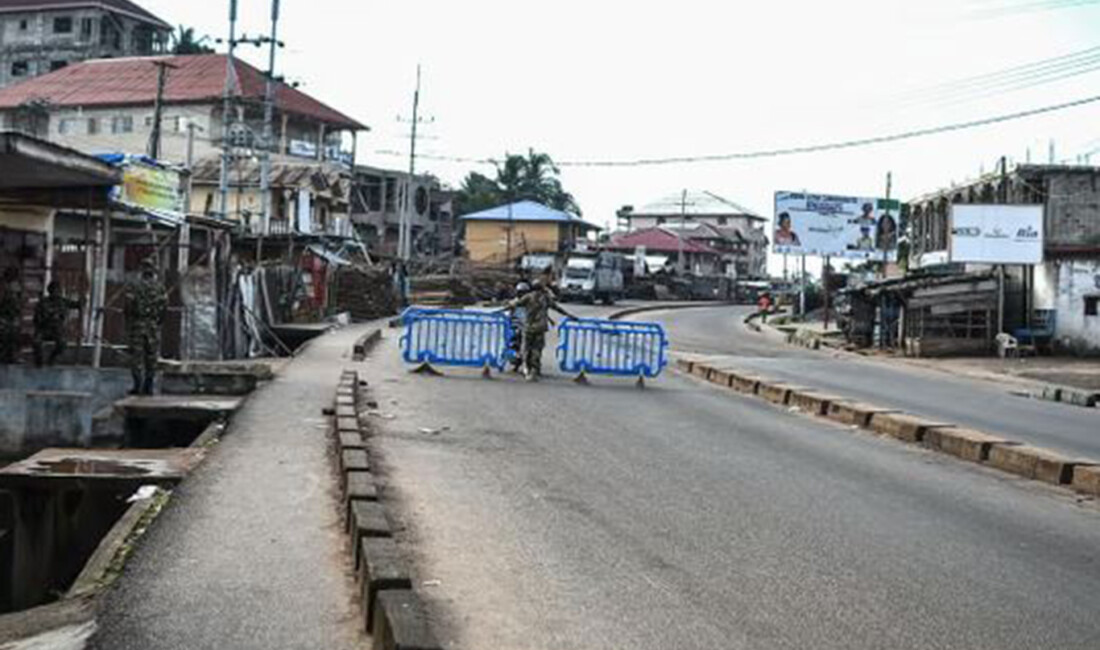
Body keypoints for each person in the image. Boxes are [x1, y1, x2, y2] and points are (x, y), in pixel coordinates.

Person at [503, 278, 576, 381]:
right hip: (540, 328)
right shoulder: (545, 298)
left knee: (526, 349)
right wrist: (569, 315)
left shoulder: (528, 297)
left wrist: (504, 307)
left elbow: (514, 304)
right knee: (537, 349)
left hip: (528, 327)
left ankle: (527, 370)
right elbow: (557, 308)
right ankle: (535, 369)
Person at [124, 258, 167, 395]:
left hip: (138, 325)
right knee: (151, 357)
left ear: (142, 271)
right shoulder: (160, 287)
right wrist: (158, 322)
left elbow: (128, 306)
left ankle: (138, 386)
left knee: (137, 357)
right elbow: (164, 308)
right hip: (153, 326)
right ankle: (149, 386)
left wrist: (129, 322)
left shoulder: (134, 286)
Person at [33, 281, 80, 367]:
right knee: (36, 342)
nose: (56, 293)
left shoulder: (63, 301)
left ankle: (52, 358)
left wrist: (82, 300)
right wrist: (46, 318)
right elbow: (36, 319)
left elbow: (77, 305)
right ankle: (39, 362)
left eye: (58, 291)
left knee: (62, 343)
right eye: (54, 291)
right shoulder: (43, 302)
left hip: (57, 330)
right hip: (44, 328)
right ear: (50, 291)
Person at [508, 282, 531, 372]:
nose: (522, 295)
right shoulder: (514, 302)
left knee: (529, 347)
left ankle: (529, 365)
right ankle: (515, 364)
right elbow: (510, 314)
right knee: (514, 345)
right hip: (515, 326)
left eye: (524, 292)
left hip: (527, 327)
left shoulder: (530, 302)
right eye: (520, 292)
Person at [0, 268, 21, 364]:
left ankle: (11, 356)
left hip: (12, 315)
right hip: (4, 314)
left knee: (13, 335)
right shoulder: (2, 286)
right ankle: (5, 355)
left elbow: (18, 300)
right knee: (5, 334)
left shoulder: (16, 285)